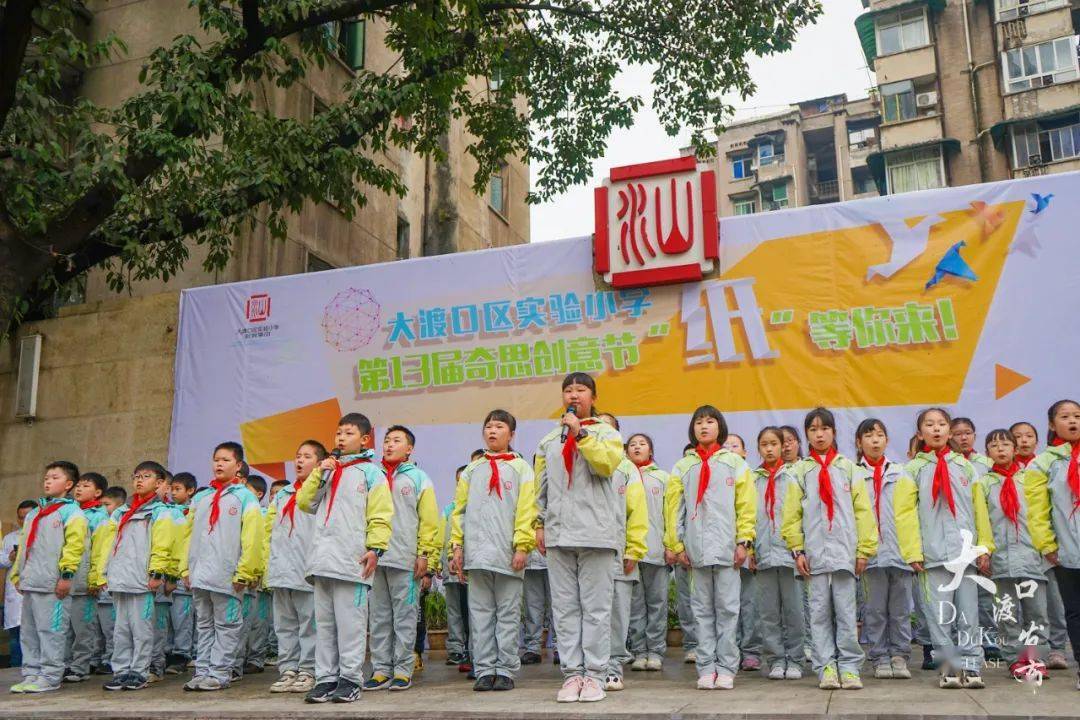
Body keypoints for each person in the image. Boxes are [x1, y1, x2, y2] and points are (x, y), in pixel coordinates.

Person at [535, 372, 624, 703]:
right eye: (568, 390)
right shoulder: (548, 441)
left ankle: (596, 674)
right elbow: (540, 487)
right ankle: (572, 674)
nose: (574, 395)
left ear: (593, 397)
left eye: (581, 390)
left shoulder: (607, 434)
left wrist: (581, 433)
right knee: (565, 608)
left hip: (596, 533)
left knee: (597, 608)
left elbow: (605, 466)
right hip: (560, 533)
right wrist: (539, 523)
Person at [296, 412, 393, 704]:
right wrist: (319, 472)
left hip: (352, 560)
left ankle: (350, 678)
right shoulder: (328, 470)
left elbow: (381, 515)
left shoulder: (371, 473)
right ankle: (326, 678)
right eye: (338, 433)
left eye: (348, 433)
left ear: (364, 440)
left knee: (350, 625)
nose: (340, 438)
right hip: (323, 560)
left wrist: (375, 549)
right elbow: (305, 502)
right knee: (324, 625)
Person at [782, 408, 876, 691]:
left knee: (847, 613)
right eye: (813, 429)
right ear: (807, 435)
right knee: (819, 613)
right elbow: (791, 516)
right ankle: (825, 667)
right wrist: (797, 550)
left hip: (845, 553)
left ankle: (849, 667)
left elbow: (863, 511)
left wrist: (864, 550)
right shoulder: (799, 471)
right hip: (814, 555)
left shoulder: (848, 468)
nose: (819, 434)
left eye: (824, 428)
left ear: (834, 432)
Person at [895, 407, 988, 689]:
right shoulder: (912, 470)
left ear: (949, 431)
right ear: (920, 432)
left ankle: (972, 666)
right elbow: (904, 514)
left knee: (968, 613)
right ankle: (948, 665)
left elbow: (979, 509)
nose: (936, 429)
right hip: (932, 555)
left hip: (966, 554)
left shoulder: (965, 467)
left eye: (941, 424)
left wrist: (983, 547)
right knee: (938, 615)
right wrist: (912, 551)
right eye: (929, 424)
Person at [664, 405, 756, 691]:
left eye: (710, 421)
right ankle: (706, 667)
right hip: (696, 551)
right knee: (701, 610)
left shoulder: (734, 462)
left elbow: (746, 505)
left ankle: (726, 667)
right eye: (699, 422)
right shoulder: (684, 466)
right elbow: (673, 508)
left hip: (728, 550)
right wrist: (677, 544)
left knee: (728, 609)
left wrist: (744, 542)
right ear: (692, 428)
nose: (704, 427)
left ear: (720, 427)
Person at [450, 409, 537, 691]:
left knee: (508, 615)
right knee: (480, 614)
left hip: (508, 554)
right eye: (488, 426)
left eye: (499, 427)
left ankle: (506, 669)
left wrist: (523, 546)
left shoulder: (522, 468)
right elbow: (459, 511)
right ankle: (485, 668)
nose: (492, 431)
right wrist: (457, 546)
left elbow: (527, 510)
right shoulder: (472, 470)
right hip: (477, 555)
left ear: (511, 434)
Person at [178, 441, 264, 692]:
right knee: (204, 625)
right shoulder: (202, 498)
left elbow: (253, 538)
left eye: (226, 460)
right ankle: (202, 670)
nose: (219, 464)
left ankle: (220, 672)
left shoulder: (245, 497)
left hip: (227, 575)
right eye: (216, 459)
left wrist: (246, 571)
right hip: (200, 574)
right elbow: (187, 535)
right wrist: (185, 568)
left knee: (226, 625)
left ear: (238, 466)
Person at [367, 425, 439, 692]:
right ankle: (380, 669)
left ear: (409, 449)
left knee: (405, 617)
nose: (389, 445)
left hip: (406, 559)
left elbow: (429, 521)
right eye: (386, 440)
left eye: (396, 440)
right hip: (375, 559)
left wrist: (425, 555)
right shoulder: (372, 476)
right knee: (379, 618)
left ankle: (402, 669)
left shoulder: (419, 478)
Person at [974, 428, 1049, 679]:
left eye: (1006, 444)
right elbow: (981, 521)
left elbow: (1042, 515)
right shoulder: (983, 484)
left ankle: (1035, 659)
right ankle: (1015, 659)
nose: (1001, 449)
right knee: (1007, 613)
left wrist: (1046, 546)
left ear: (1015, 449)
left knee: (1036, 611)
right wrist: (984, 551)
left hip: (1031, 556)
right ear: (987, 453)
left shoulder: (1030, 478)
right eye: (994, 446)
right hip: (1001, 559)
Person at [8, 461, 86, 694]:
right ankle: (31, 673)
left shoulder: (72, 513)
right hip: (31, 581)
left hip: (53, 584)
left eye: (54, 477)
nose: (47, 481)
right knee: (29, 632)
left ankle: (51, 675)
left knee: (51, 631)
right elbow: (24, 547)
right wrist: (17, 574)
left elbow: (74, 547)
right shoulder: (35, 513)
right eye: (46, 477)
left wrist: (66, 575)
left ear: (68, 484)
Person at [97, 461, 176, 691]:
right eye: (136, 476)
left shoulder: (161, 512)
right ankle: (120, 670)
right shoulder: (122, 512)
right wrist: (104, 572)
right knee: (120, 628)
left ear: (159, 483)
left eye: (146, 476)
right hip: (120, 578)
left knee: (141, 629)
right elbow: (108, 545)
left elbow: (163, 546)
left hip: (142, 580)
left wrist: (157, 573)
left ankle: (139, 671)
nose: (139, 480)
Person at [1025, 399, 1080, 691]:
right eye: (1065, 417)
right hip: (1067, 551)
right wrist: (1047, 544)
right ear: (1052, 424)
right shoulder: (1043, 463)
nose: (1073, 421)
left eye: (1077, 416)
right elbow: (1037, 510)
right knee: (1074, 610)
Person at [264, 441, 325, 694]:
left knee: (309, 624)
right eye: (297, 456)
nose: (299, 461)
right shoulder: (282, 494)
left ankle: (309, 670)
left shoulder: (320, 492)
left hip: (306, 569)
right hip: (281, 570)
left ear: (319, 463)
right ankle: (288, 668)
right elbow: (270, 531)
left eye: (307, 456)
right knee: (284, 625)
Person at [855, 419, 912, 680]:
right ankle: (879, 657)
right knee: (875, 609)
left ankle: (900, 655)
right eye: (869, 436)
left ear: (887, 441)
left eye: (880, 435)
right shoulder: (853, 474)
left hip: (900, 551)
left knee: (900, 609)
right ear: (859, 442)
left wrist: (913, 550)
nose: (875, 440)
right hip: (871, 555)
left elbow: (911, 514)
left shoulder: (902, 473)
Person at [1011, 420, 1068, 670]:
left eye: (1028, 436)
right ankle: (1025, 654)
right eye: (1018, 437)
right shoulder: (998, 471)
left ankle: (1057, 649)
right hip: (1017, 547)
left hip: (1047, 545)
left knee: (1054, 602)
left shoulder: (1047, 464)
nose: (1023, 440)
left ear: (1037, 439)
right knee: (1020, 605)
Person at [597, 414, 647, 692]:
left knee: (617, 615)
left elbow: (637, 513)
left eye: (609, 426)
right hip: (589, 551)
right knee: (591, 615)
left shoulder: (627, 469)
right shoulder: (581, 463)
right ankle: (591, 667)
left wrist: (634, 549)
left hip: (618, 555)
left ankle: (613, 667)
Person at [752, 427, 804, 680]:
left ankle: (795, 659)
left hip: (789, 554)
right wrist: (749, 547)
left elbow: (800, 515)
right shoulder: (752, 479)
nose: (770, 448)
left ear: (784, 446)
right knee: (769, 612)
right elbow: (747, 516)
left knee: (794, 611)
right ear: (759, 448)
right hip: (763, 554)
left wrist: (800, 548)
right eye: (764, 444)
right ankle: (775, 659)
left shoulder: (795, 476)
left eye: (774, 443)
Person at [627, 433, 670, 672]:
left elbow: (669, 513)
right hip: (630, 554)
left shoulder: (662, 478)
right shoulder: (622, 475)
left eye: (642, 444)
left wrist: (669, 545)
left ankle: (655, 651)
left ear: (651, 450)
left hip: (656, 551)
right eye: (632, 444)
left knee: (657, 603)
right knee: (635, 606)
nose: (637, 447)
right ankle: (639, 651)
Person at [65, 472, 110, 683]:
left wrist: (95, 579)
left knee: (83, 627)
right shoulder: (69, 512)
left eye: (86, 485)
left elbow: (100, 551)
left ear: (98, 492)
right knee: (64, 627)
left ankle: (80, 666)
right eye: (78, 485)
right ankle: (64, 664)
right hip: (66, 581)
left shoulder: (99, 517)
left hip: (84, 581)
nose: (79, 489)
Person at [234, 474, 272, 680]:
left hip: (254, 577)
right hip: (237, 574)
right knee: (236, 620)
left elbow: (262, 546)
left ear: (258, 494)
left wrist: (258, 571)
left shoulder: (262, 513)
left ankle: (255, 658)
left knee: (255, 622)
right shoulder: (236, 510)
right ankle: (237, 659)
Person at [166, 472, 197, 675]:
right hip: (168, 574)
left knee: (183, 620)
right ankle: (171, 653)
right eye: (172, 489)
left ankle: (183, 654)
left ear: (190, 491)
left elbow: (186, 545)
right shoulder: (168, 512)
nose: (173, 493)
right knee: (171, 621)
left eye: (177, 489)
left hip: (184, 575)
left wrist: (184, 571)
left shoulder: (192, 512)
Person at [440, 466, 471, 670]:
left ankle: (473, 649)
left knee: (472, 610)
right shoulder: (449, 509)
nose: (461, 485)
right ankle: (456, 649)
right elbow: (441, 536)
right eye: (458, 481)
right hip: (451, 569)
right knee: (454, 611)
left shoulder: (475, 507)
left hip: (471, 568)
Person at [95, 487, 127, 674]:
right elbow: (99, 552)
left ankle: (113, 659)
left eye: (107, 505)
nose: (104, 509)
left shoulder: (122, 520)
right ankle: (106, 658)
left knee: (115, 628)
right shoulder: (104, 523)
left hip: (116, 580)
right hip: (102, 580)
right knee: (104, 627)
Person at [1, 501, 35, 669]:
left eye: (27, 517)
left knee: (35, 633)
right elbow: (1, 560)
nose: (23, 522)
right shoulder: (10, 538)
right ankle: (15, 667)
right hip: (15, 592)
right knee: (16, 634)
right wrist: (10, 558)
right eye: (20, 518)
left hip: (35, 588)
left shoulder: (43, 534)